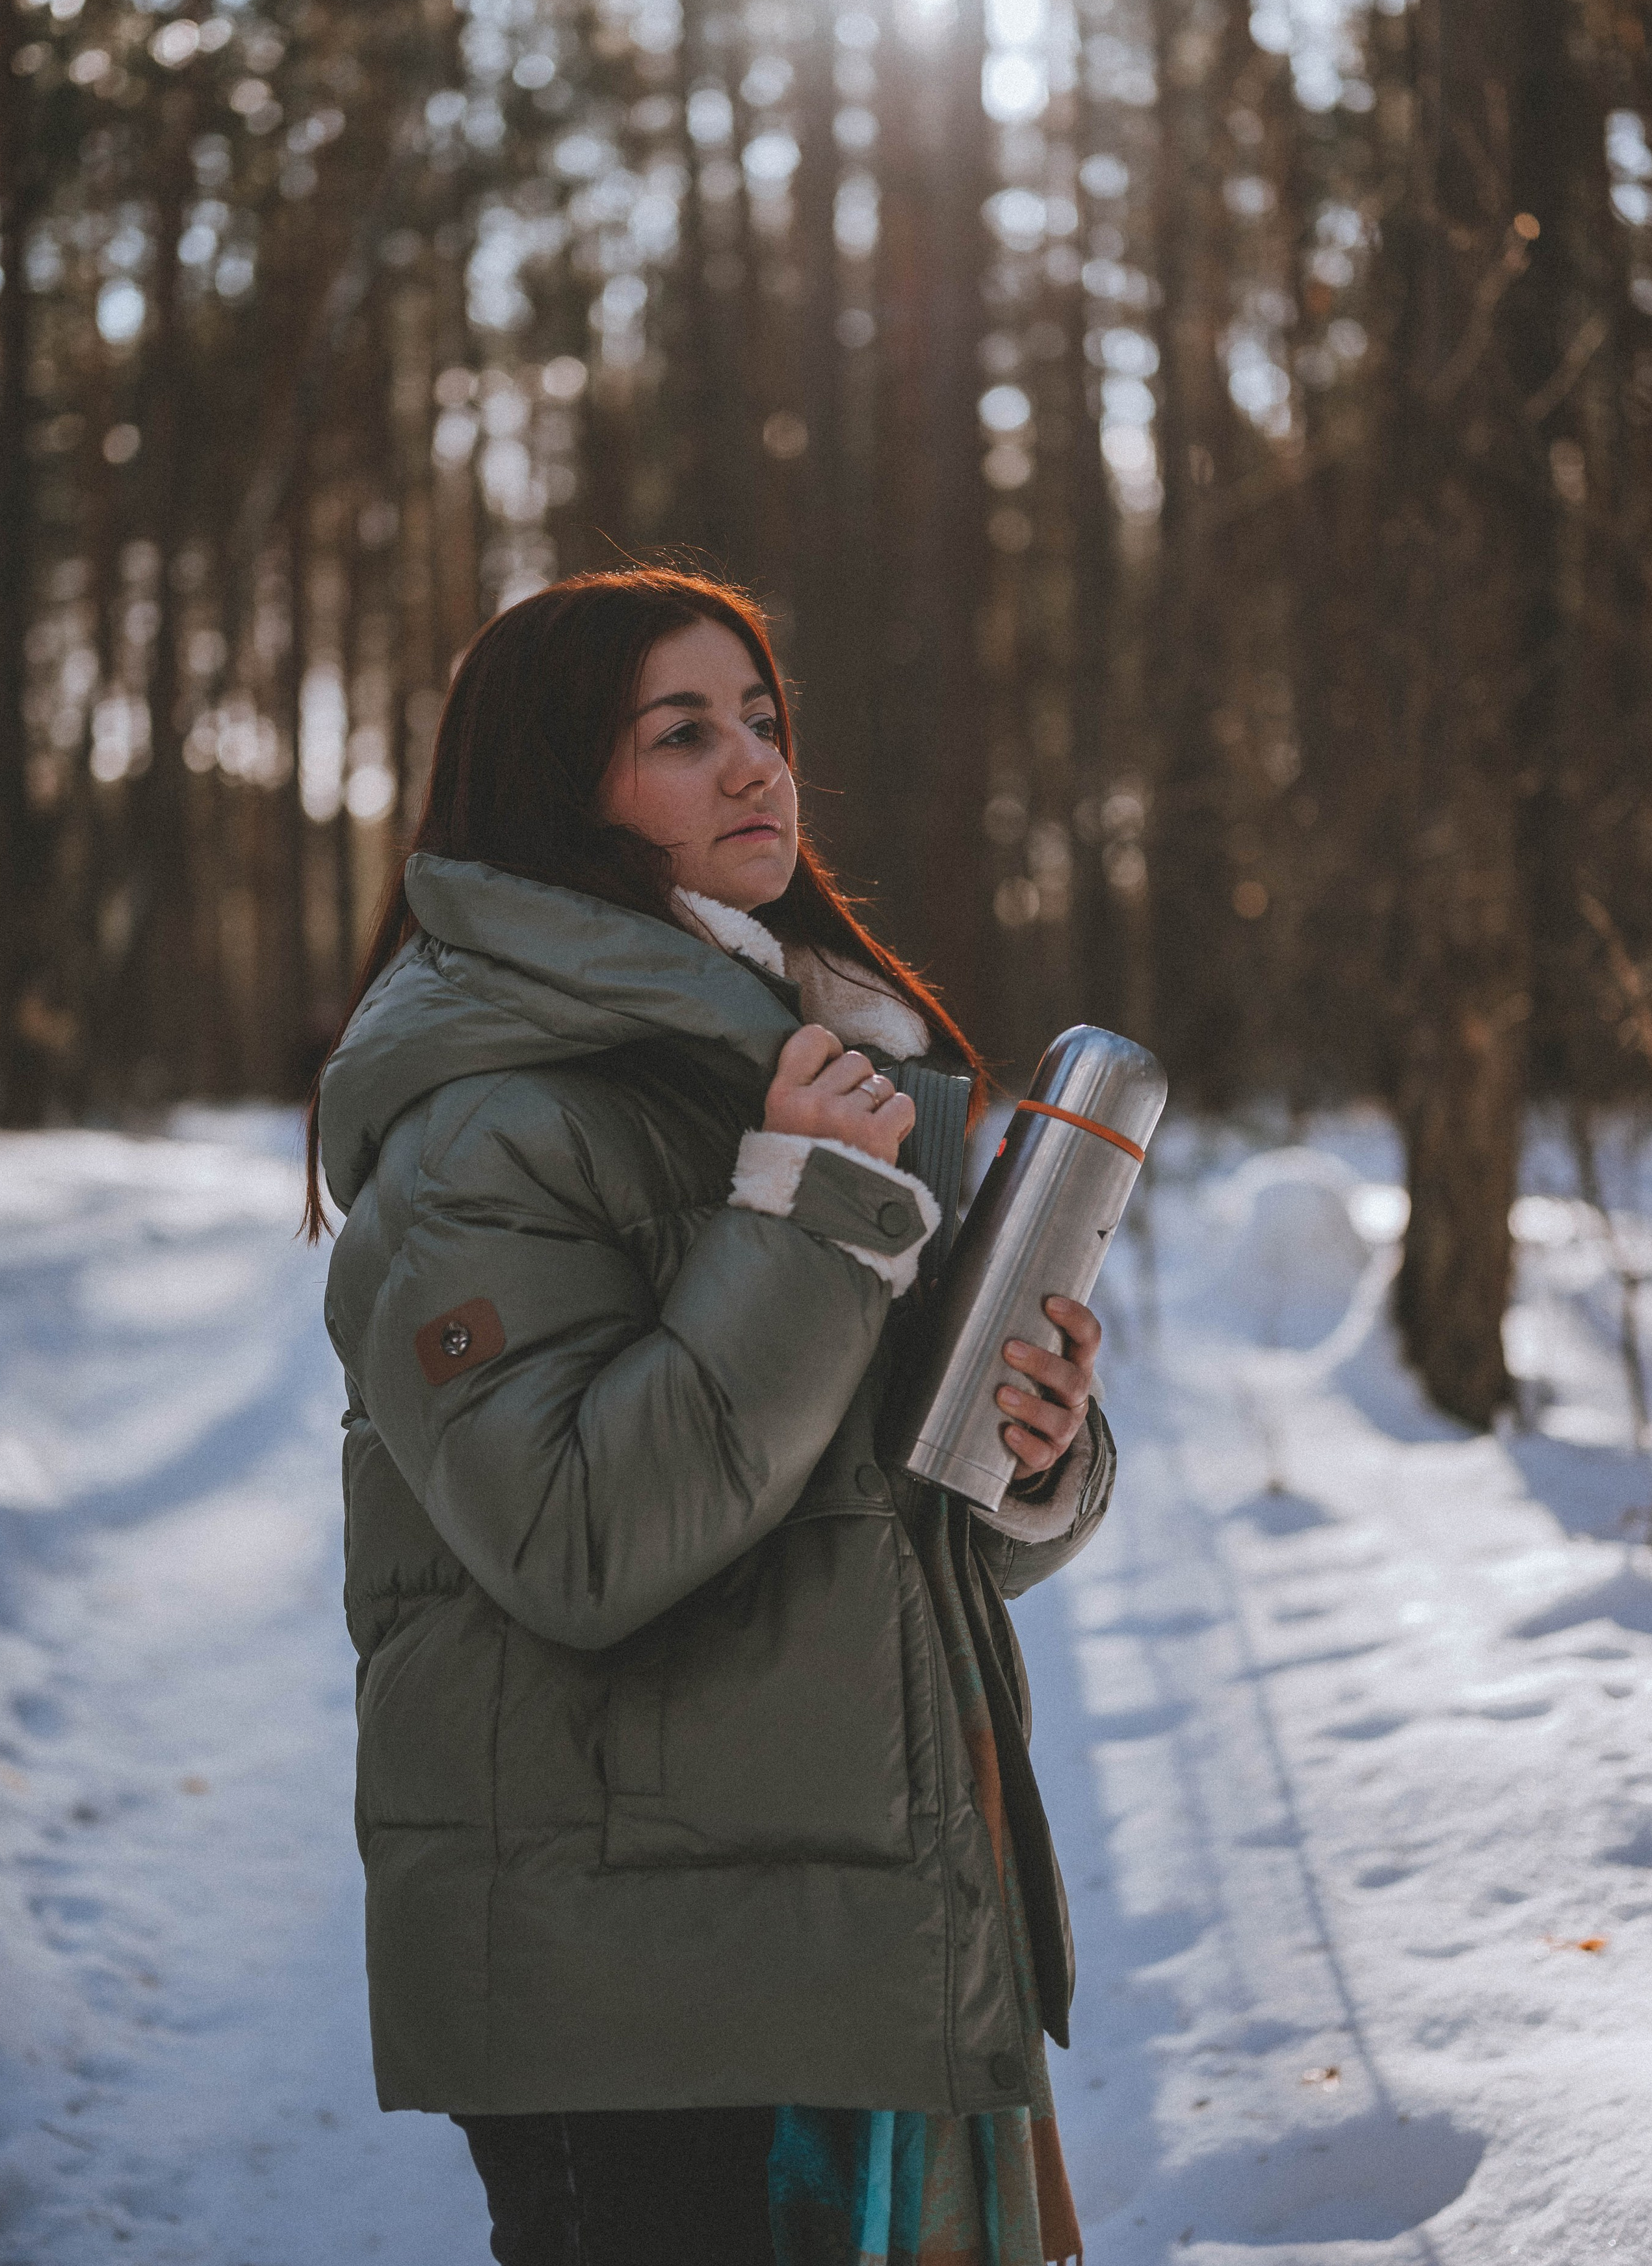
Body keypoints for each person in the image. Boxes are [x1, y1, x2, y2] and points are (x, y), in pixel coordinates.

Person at [304, 568, 1116, 2266]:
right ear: (559, 789)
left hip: (843, 1921)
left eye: (762, 719)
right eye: (682, 733)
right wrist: (807, 1215)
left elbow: (859, 1539)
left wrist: (1026, 1455)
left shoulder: (800, 1071)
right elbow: (579, 1541)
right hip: (635, 1992)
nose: (757, 764)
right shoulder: (484, 1126)